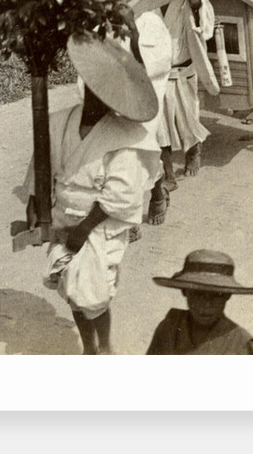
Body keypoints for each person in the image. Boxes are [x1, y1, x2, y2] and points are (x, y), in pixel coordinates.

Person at [37, 33, 161, 355]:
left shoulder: (125, 137)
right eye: (93, 91)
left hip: (98, 224)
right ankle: (88, 348)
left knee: (94, 293)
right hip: (64, 214)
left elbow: (121, 194)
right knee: (70, 287)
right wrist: (36, 205)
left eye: (105, 97)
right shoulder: (61, 122)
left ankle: (104, 346)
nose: (97, 100)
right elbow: (42, 166)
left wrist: (83, 229)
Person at [107, 0, 173, 228]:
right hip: (113, 100)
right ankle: (129, 217)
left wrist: (132, 30)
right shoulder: (103, 23)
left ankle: (157, 191)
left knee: (142, 152)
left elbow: (153, 66)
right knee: (116, 157)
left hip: (145, 99)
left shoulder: (150, 22)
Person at [151, 0, 219, 195]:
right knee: (160, 126)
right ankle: (168, 173)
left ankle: (193, 151)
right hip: (160, 73)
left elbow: (197, 4)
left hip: (184, 69)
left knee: (188, 120)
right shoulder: (153, 1)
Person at [147, 249, 253, 354]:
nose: (207, 304)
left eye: (216, 295)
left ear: (227, 295)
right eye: (198, 294)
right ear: (184, 291)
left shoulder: (240, 344)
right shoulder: (170, 328)